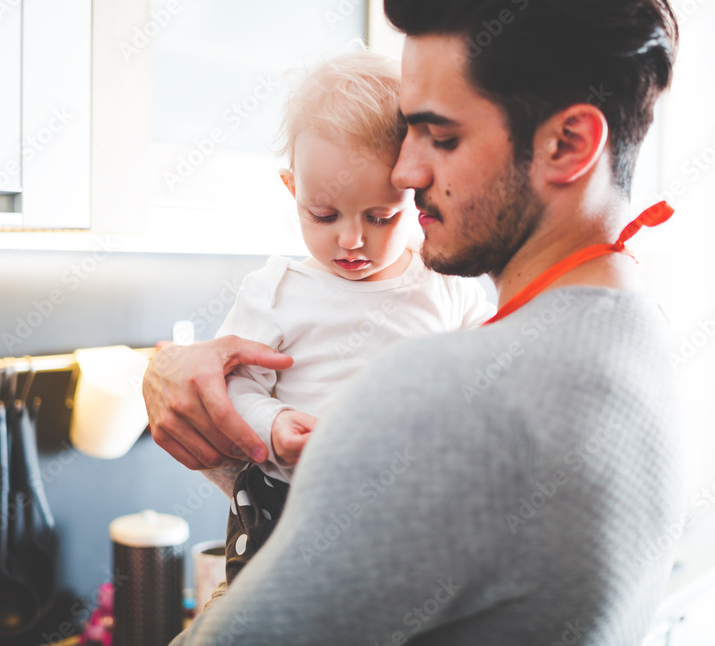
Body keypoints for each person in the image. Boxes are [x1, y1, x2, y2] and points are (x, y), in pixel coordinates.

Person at [145, 0, 686, 642]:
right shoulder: (640, 332)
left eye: (441, 134)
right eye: (408, 130)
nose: (404, 171)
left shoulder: (444, 393)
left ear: (567, 144)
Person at [207, 51, 495, 593]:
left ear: (415, 193)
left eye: (380, 217)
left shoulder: (447, 284)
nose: (350, 240)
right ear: (293, 189)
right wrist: (272, 422)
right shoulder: (276, 291)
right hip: (287, 515)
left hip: (411, 521)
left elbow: (495, 362)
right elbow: (232, 389)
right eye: (323, 215)